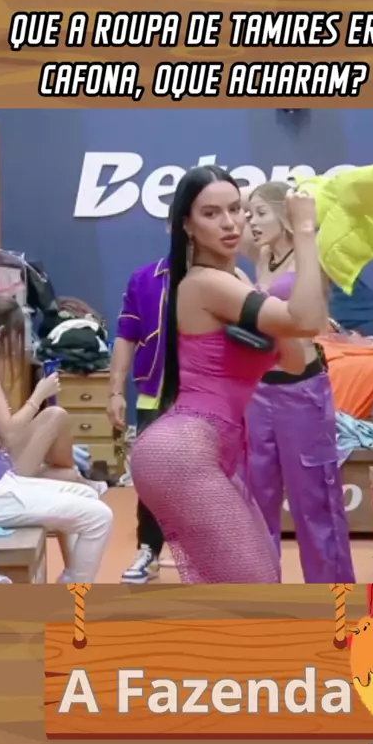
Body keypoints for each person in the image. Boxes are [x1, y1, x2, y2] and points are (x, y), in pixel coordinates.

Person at [130, 164, 327, 584]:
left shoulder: (235, 278)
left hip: (205, 448)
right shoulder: (204, 284)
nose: (230, 222)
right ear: (187, 225)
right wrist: (304, 231)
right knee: (254, 589)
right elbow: (309, 319)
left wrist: (274, 303)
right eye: (211, 213)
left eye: (236, 209)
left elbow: (295, 362)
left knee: (254, 579)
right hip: (182, 451)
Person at [240, 181, 355, 584]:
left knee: (315, 502)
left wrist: (303, 218)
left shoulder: (309, 253)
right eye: (249, 214)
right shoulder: (263, 255)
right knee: (257, 500)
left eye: (260, 213)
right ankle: (261, 593)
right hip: (259, 391)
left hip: (302, 393)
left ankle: (332, 600)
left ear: (284, 215)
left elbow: (315, 317)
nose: (252, 222)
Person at [0, 294, 113, 582]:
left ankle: (72, 580)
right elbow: (9, 433)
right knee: (100, 517)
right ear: (1, 335)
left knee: (86, 494)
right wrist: (39, 394)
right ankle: (73, 591)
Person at [107, 257, 168, 584]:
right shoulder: (145, 278)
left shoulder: (226, 277)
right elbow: (126, 334)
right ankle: (149, 550)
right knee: (150, 475)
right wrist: (116, 391)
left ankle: (212, 556)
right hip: (155, 392)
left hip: (208, 394)